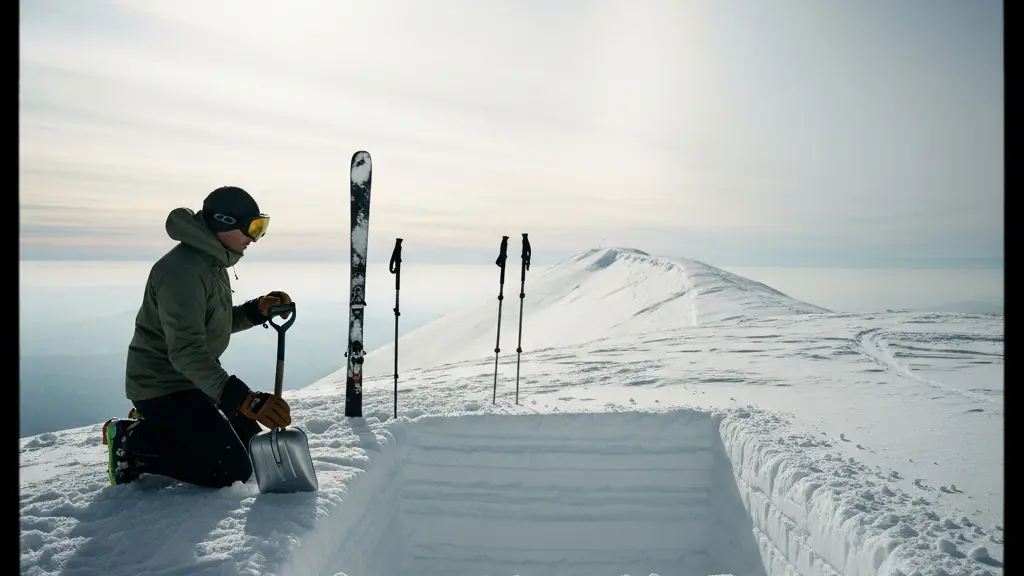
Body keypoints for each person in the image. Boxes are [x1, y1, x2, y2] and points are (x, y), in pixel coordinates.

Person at [102, 186, 295, 489]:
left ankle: (165, 426)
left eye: (261, 227)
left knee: (250, 446)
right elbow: (186, 351)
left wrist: (257, 310)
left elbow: (211, 324)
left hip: (192, 383)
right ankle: (131, 441)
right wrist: (242, 397)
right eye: (252, 227)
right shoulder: (182, 271)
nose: (255, 238)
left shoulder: (211, 261)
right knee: (230, 470)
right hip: (161, 387)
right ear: (224, 222)